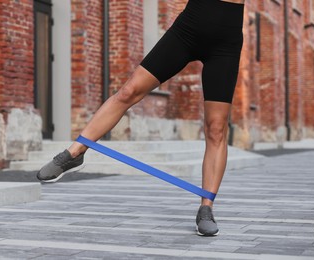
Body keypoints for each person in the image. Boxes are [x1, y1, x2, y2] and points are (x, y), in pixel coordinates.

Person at [37, 0, 245, 236]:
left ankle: (206, 207)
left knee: (216, 127)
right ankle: (75, 152)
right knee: (129, 91)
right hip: (191, 26)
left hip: (226, 39)